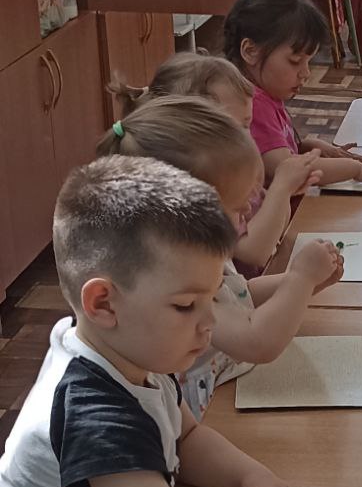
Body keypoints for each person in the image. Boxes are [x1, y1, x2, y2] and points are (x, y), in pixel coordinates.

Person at [0, 156, 362, 487]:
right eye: (185, 306)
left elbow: (186, 436)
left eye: (212, 299)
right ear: (104, 304)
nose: (209, 325)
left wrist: (250, 476)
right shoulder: (93, 408)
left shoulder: (133, 355)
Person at [98, 96, 343, 417]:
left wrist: (299, 284)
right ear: (185, 217)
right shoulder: (177, 285)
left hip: (230, 388)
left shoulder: (202, 253)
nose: (249, 213)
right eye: (239, 208)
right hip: (209, 412)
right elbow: (257, 342)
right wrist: (300, 279)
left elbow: (239, 294)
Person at [108, 51, 321, 271]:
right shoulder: (209, 191)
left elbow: (276, 231)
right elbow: (255, 253)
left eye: (248, 124)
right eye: (236, 128)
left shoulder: (238, 174)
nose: (248, 138)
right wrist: (281, 189)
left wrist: (285, 193)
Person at [223, 0, 362, 189]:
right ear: (250, 51)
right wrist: (354, 169)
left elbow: (271, 154)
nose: (306, 73)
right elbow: (287, 169)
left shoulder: (266, 94)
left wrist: (307, 147)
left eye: (308, 62)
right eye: (295, 61)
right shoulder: (251, 104)